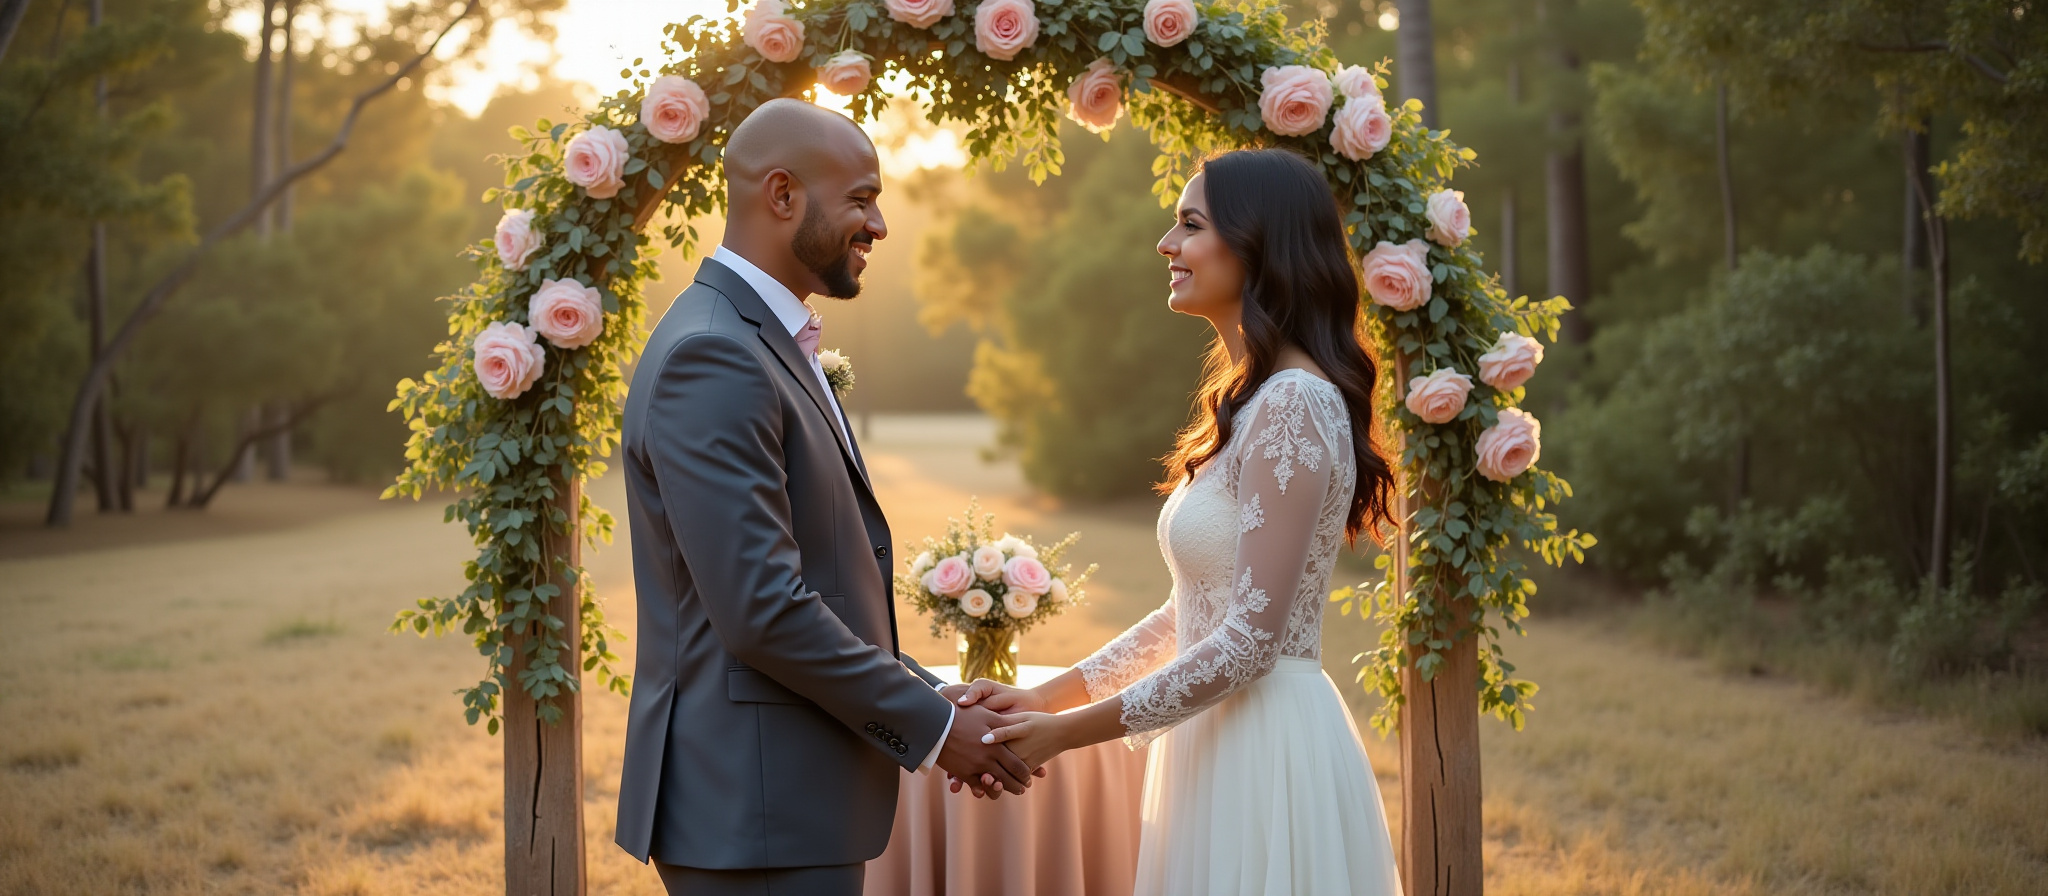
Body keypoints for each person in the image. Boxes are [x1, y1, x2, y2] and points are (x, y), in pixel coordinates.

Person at [612, 98, 1036, 896]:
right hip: (755, 807)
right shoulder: (715, 355)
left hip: (780, 802)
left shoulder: (762, 340)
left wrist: (928, 691)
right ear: (782, 195)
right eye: (862, 199)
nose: (878, 225)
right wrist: (941, 731)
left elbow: (818, 583)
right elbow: (764, 608)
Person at [956, 148, 1405, 895]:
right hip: (1213, 738)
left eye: (1189, 226)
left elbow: (1250, 643)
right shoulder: (1254, 402)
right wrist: (1045, 699)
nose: (1166, 246)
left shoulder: (1295, 405)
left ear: (1259, 245)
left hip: (1266, 749)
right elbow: (1183, 618)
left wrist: (1064, 735)